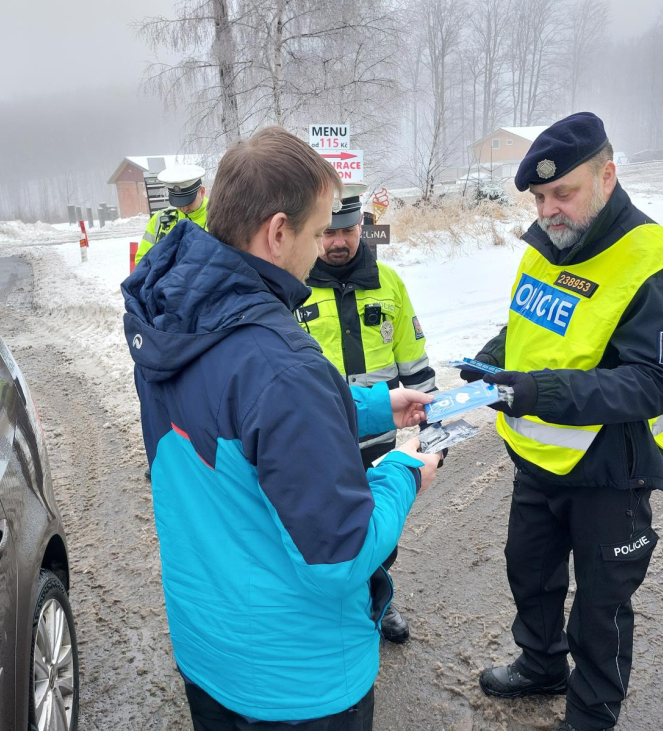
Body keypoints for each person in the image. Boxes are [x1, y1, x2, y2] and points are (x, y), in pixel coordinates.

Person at [122, 126, 442, 730]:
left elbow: (239, 423)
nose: (324, 247)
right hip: (299, 683)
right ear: (276, 232)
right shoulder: (282, 366)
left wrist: (370, 407)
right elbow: (340, 558)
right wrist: (402, 472)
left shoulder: (174, 323)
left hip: (209, 652)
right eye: (319, 230)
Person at [461, 113, 663, 731]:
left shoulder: (654, 264)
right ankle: (542, 665)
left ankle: (592, 713)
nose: (550, 210)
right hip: (541, 461)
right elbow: (532, 324)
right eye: (540, 197)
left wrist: (536, 391)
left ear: (607, 175)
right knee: (529, 573)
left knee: (601, 605)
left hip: (613, 472)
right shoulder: (551, 243)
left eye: (563, 193)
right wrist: (491, 361)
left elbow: (657, 382)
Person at [296, 182, 436, 644]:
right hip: (319, 437)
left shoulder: (390, 284)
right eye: (328, 233)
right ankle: (329, 608)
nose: (337, 243)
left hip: (379, 433)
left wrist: (431, 433)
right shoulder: (293, 287)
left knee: (379, 523)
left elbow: (415, 363)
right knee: (322, 526)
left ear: (362, 226)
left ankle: (379, 598)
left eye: (347, 231)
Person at [133, 162, 208, 265]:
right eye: (178, 203)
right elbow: (142, 262)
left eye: (189, 201)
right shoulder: (159, 220)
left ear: (202, 192)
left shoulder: (221, 218)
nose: (184, 208)